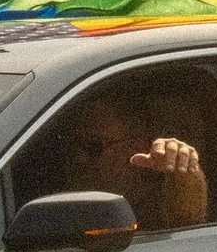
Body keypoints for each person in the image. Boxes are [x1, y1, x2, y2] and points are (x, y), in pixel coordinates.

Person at [59, 94, 207, 230]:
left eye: (93, 146)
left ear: (135, 148)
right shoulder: (58, 196)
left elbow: (187, 220)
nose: (79, 158)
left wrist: (183, 169)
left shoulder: (158, 201)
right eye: (73, 145)